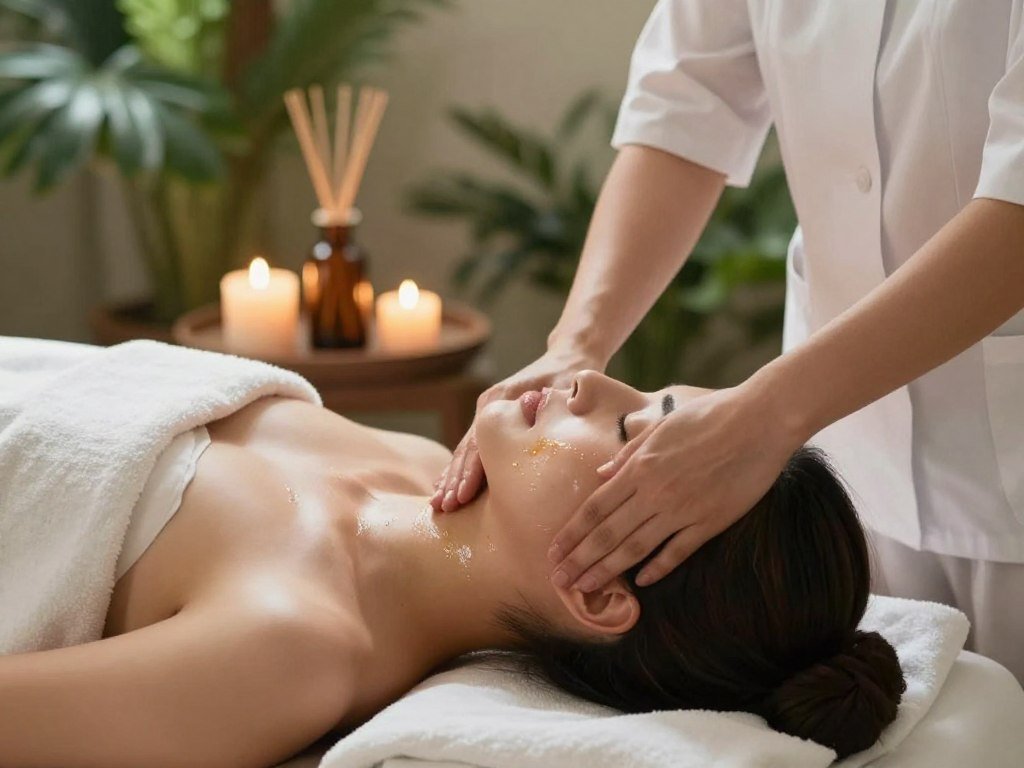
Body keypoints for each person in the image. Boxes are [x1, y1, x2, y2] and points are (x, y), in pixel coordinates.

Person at [431, 0, 1024, 682]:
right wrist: (577, 342)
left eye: (639, 423)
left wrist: (767, 415)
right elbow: (685, 103)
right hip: (852, 453)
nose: (585, 388)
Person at [0, 370, 903, 765]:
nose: (591, 381)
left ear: (597, 591)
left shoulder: (292, 649)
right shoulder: (410, 463)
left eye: (630, 432)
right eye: (647, 385)